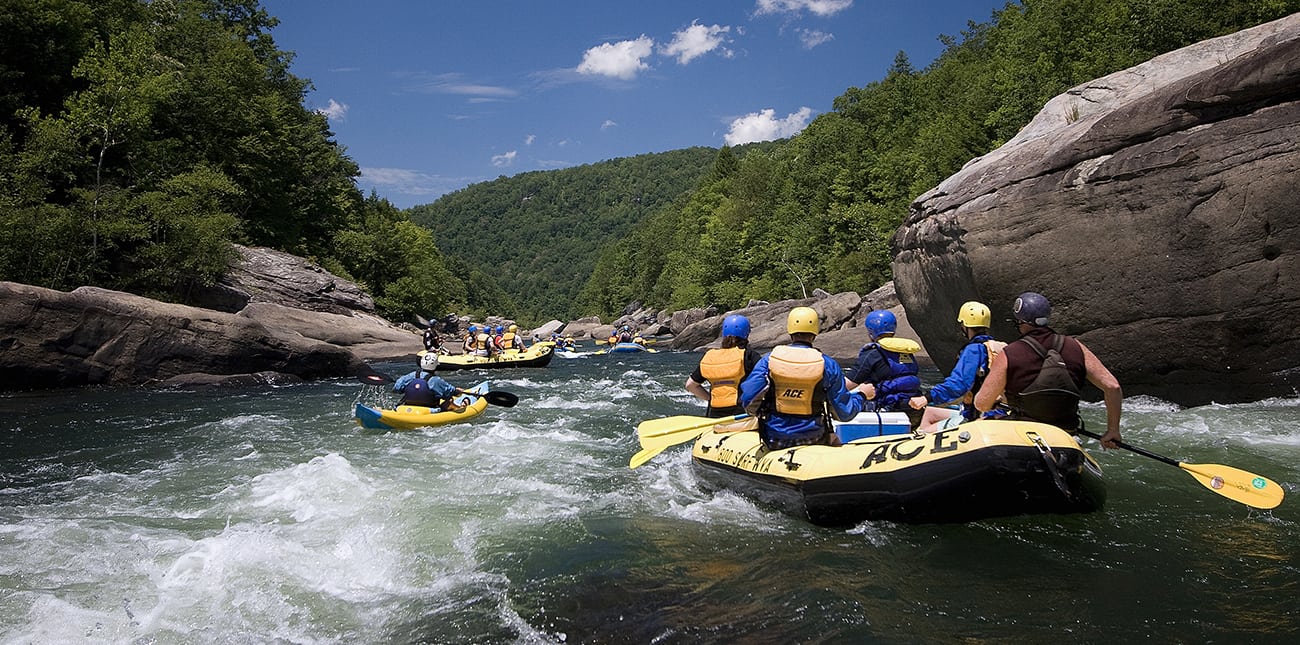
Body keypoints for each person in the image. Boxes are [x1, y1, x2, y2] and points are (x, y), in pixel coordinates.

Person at [974, 292, 1123, 448]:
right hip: (1066, 437)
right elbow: (1113, 387)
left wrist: (997, 400)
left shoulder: (1009, 353)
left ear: (1020, 322)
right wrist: (1113, 430)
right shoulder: (1076, 347)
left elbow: (982, 404)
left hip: (1023, 435)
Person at [740, 306, 870, 449]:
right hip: (814, 438)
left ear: (790, 332)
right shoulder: (828, 365)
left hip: (774, 438)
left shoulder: (768, 360)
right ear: (815, 333)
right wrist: (862, 395)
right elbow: (844, 413)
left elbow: (747, 398)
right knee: (835, 439)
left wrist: (761, 411)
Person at [908, 301, 1007, 433]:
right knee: (930, 412)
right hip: (999, 411)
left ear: (964, 325)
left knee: (923, 433)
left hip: (978, 416)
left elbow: (958, 384)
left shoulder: (973, 350)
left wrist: (926, 398)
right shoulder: (997, 347)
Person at [844, 309, 924, 429]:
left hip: (888, 412)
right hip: (914, 410)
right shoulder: (905, 352)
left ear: (871, 332)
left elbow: (847, 385)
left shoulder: (872, 354)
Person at [686, 314, 762, 417]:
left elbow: (690, 385)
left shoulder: (711, 357)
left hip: (715, 415)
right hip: (741, 415)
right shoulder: (749, 355)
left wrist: (710, 398)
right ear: (746, 334)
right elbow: (766, 380)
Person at [393, 353, 467, 411]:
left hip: (407, 408)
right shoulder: (436, 380)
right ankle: (459, 408)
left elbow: (396, 388)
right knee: (450, 400)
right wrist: (457, 391)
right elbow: (449, 392)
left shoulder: (411, 376)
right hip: (429, 410)